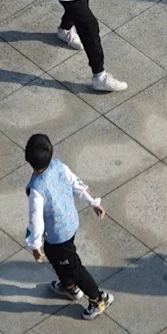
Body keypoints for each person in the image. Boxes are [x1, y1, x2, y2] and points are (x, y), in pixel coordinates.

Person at [23, 133, 114, 321]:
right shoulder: (58, 166)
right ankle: (69, 287)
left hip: (58, 234)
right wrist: (93, 202)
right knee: (57, 257)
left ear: (28, 159)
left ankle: (98, 298)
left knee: (73, 266)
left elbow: (36, 220)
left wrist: (34, 245)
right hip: (70, 222)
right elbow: (77, 184)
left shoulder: (36, 189)